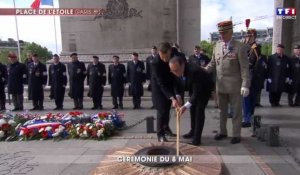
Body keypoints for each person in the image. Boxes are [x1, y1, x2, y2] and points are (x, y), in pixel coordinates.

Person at [206, 20, 250, 144]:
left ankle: (236, 134)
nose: (221, 35)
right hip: (220, 85)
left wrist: (245, 85)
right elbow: (213, 63)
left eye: (224, 33)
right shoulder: (217, 46)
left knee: (236, 112)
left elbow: (244, 67)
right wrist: (204, 70)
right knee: (222, 111)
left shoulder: (239, 47)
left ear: (231, 32)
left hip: (235, 86)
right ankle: (222, 131)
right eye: (220, 33)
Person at [170, 57, 214, 146]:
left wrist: (185, 106)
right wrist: (178, 96)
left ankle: (197, 139)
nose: (175, 73)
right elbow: (176, 84)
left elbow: (197, 93)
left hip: (204, 89)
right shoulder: (175, 69)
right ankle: (193, 131)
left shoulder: (194, 71)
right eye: (173, 71)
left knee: (198, 111)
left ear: (182, 65)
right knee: (192, 109)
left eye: (177, 70)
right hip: (193, 88)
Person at [151, 42, 180, 142]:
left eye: (167, 56)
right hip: (158, 89)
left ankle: (166, 128)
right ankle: (160, 134)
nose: (165, 59)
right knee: (161, 110)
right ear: (159, 52)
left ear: (170, 51)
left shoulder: (173, 56)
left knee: (167, 109)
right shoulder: (155, 63)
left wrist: (176, 94)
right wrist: (172, 97)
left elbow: (175, 76)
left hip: (169, 85)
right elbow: (160, 83)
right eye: (163, 57)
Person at [242, 29, 268, 127]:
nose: (246, 38)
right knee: (247, 100)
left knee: (248, 99)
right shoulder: (247, 47)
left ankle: (248, 119)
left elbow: (251, 62)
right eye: (246, 36)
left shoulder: (255, 48)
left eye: (249, 36)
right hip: (249, 77)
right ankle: (249, 118)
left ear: (253, 37)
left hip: (251, 78)